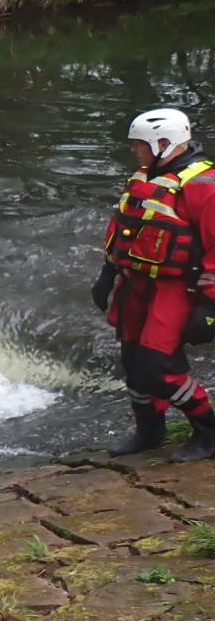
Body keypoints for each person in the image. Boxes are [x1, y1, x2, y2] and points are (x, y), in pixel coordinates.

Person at [94, 107, 215, 461]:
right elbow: (123, 227)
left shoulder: (203, 188)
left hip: (178, 288)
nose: (134, 150)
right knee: (132, 361)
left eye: (139, 144)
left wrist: (209, 308)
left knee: (157, 367)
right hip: (138, 283)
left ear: (165, 142)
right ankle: (149, 430)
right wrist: (107, 273)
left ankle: (208, 429)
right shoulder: (145, 177)